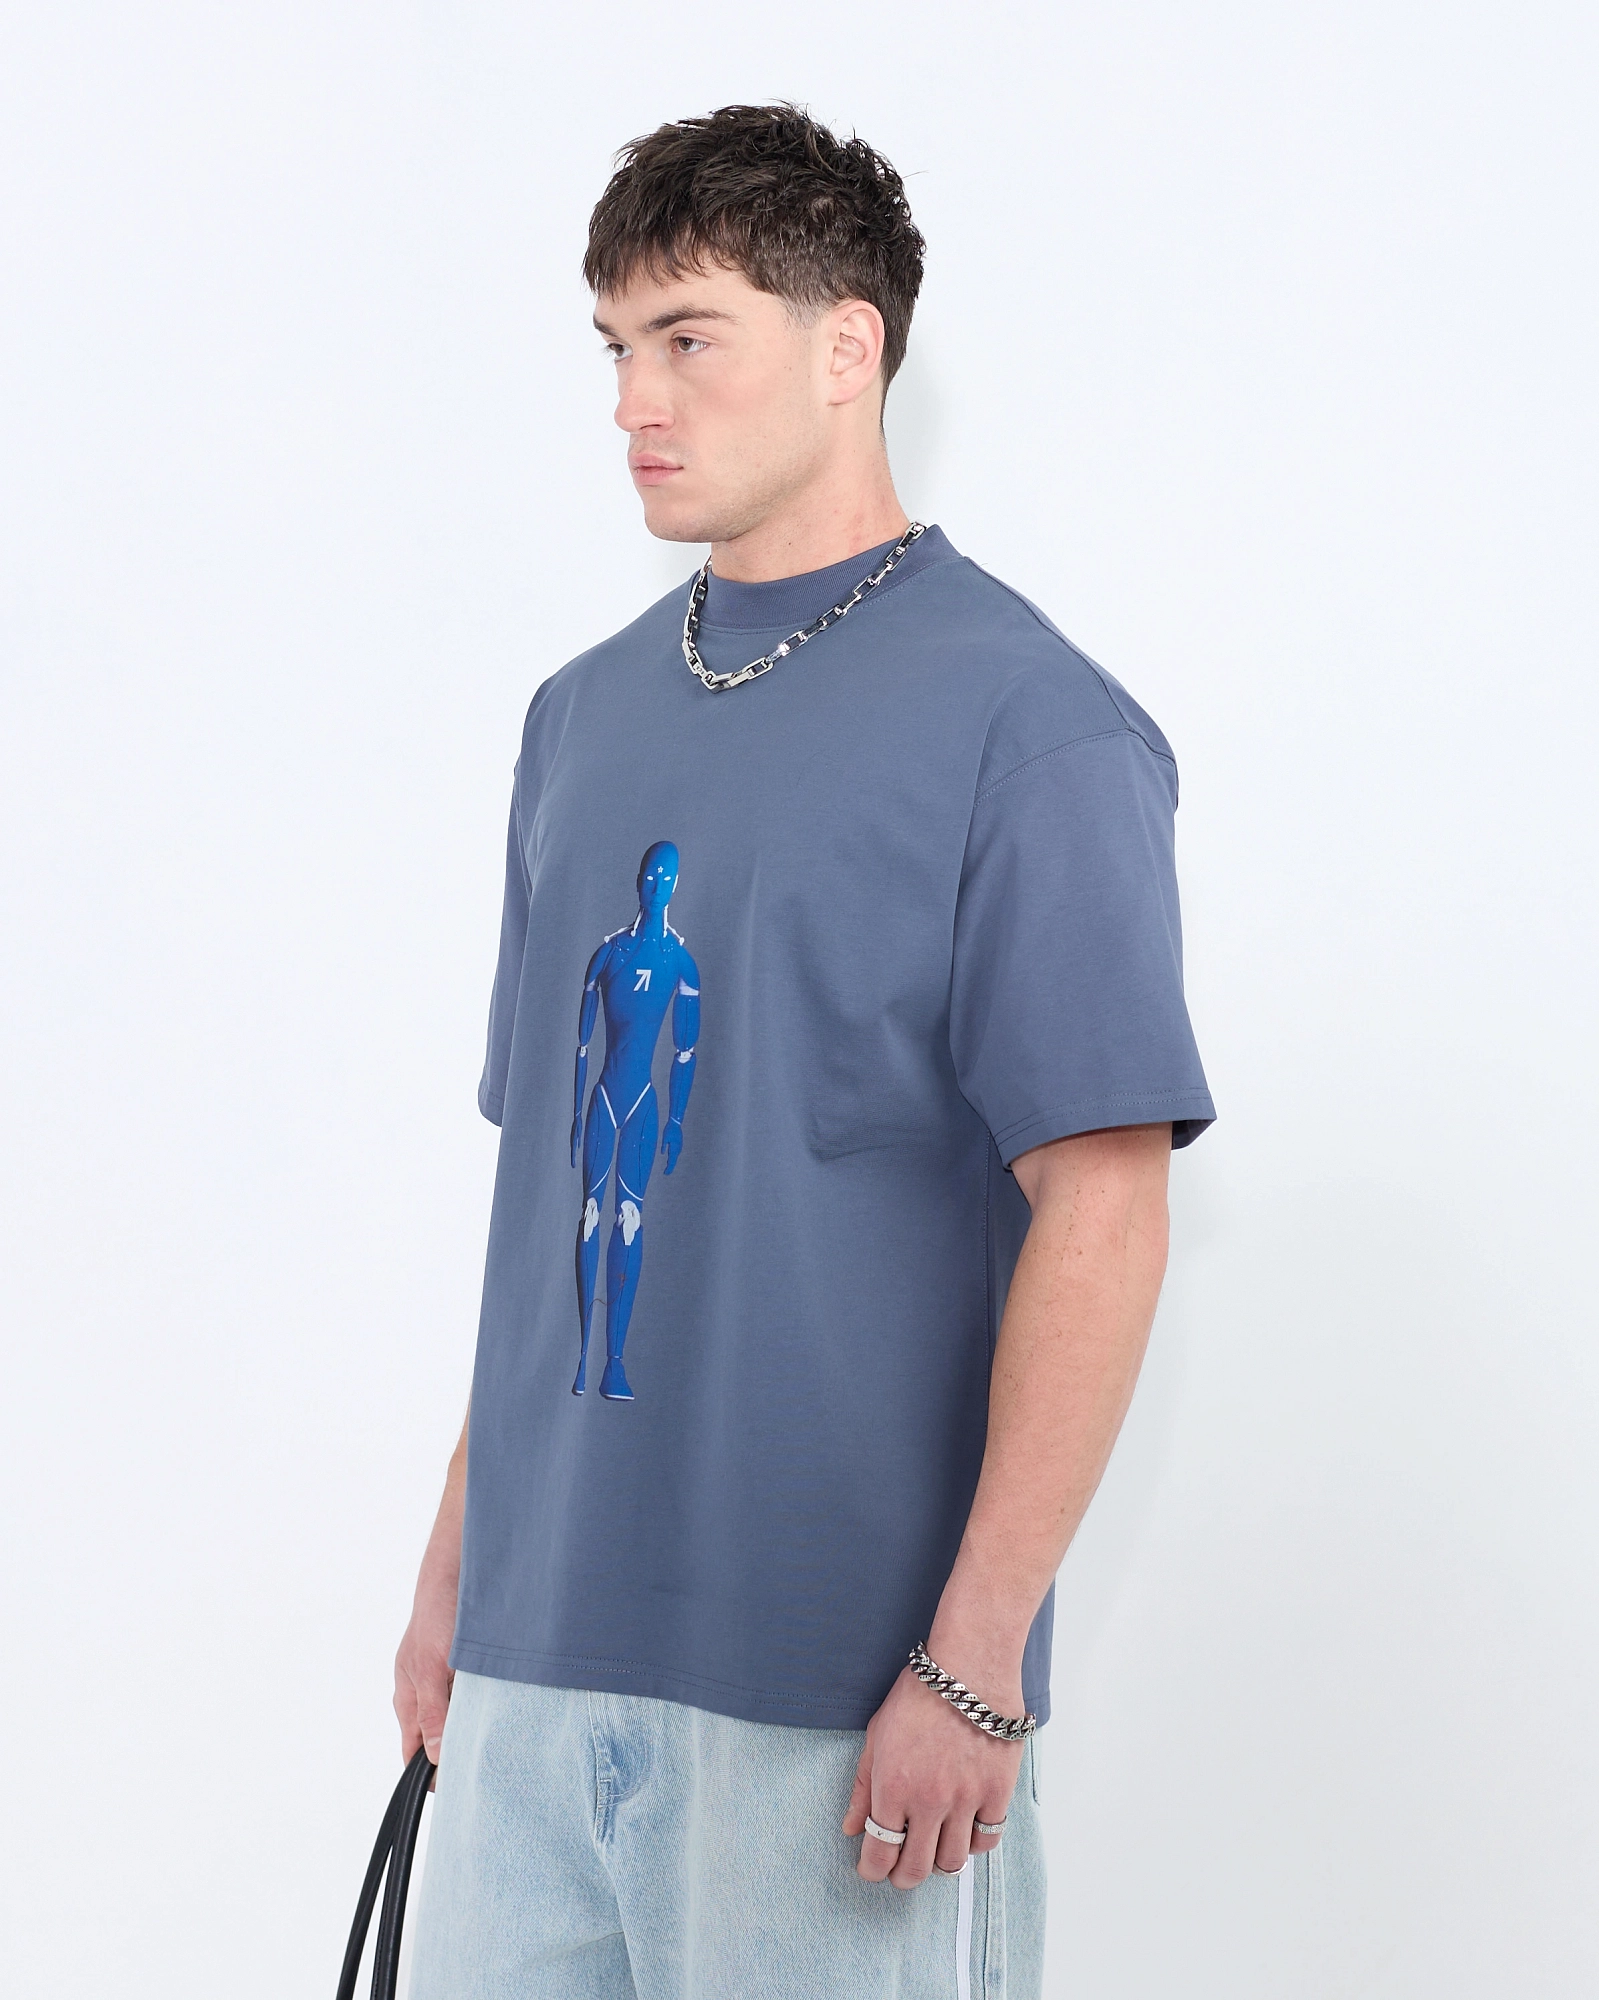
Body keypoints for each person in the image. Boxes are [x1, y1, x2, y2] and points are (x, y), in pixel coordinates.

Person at [395, 102, 1215, 2000]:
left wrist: (973, 1663)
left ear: (849, 347)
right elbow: (558, 1201)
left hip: (834, 1701)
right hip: (528, 1669)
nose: (634, 401)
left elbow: (1103, 1211)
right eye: (616, 346)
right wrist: (458, 1561)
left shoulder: (1032, 725)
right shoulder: (579, 719)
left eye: (689, 338)